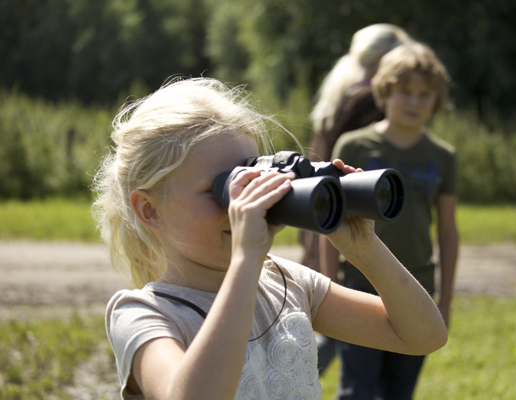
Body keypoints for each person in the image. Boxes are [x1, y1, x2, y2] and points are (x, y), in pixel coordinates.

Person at [92, 77, 447, 400]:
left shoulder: (289, 283)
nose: (250, 201)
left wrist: (366, 249)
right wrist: (246, 260)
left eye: (255, 176)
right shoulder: (143, 314)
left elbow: (423, 336)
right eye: (226, 188)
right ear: (150, 210)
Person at [324, 43, 460, 399]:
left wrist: (444, 300)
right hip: (358, 283)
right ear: (384, 91)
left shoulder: (443, 156)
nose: (414, 102)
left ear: (436, 100)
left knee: (399, 391)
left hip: (416, 284)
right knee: (357, 388)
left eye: (424, 94)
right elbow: (329, 221)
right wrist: (328, 286)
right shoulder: (353, 146)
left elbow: (447, 232)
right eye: (405, 92)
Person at [302, 23, 413, 276]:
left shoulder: (340, 90)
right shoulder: (370, 99)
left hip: (319, 197)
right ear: (384, 60)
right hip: (342, 200)